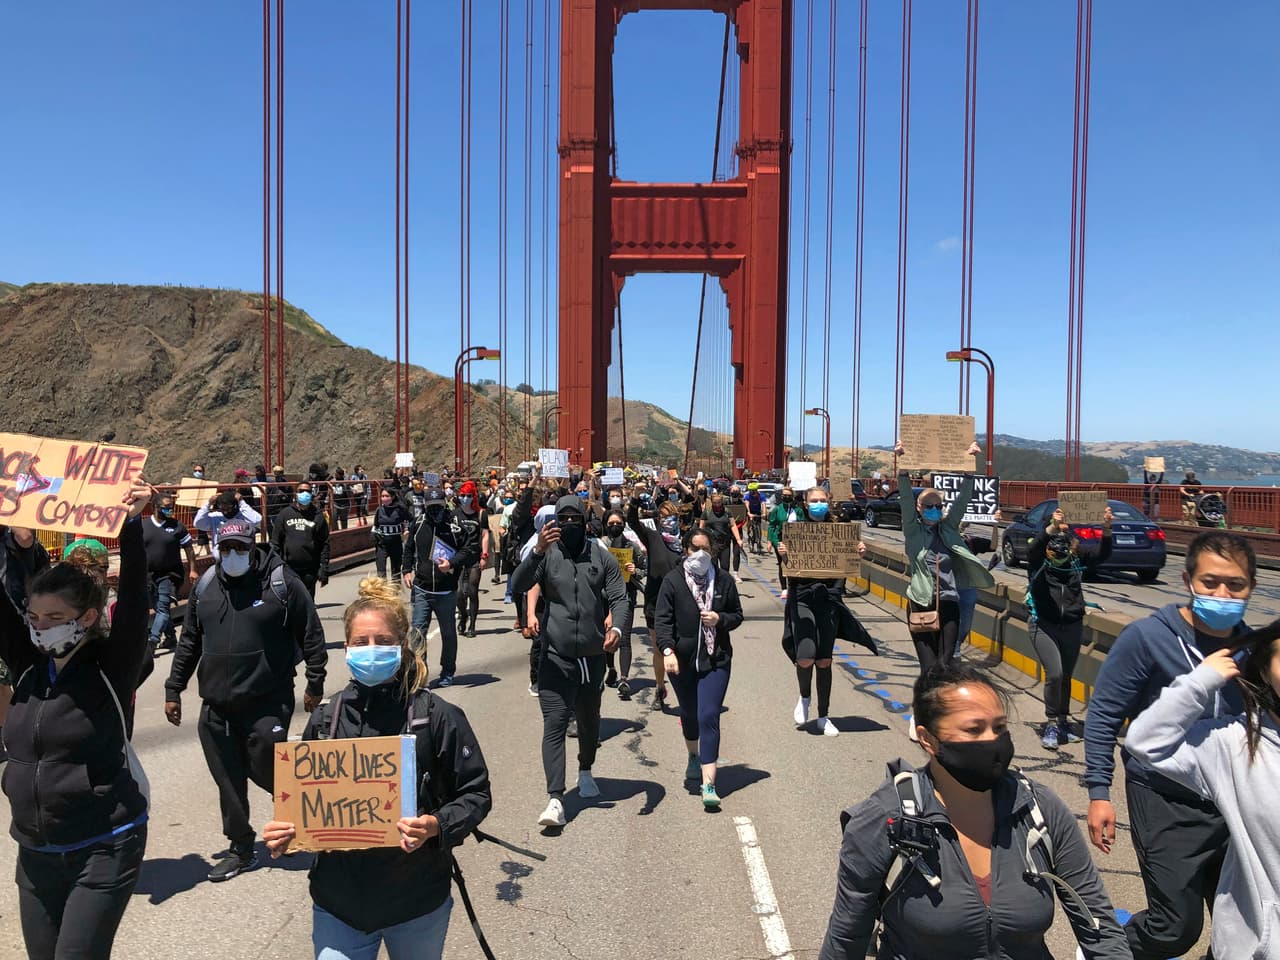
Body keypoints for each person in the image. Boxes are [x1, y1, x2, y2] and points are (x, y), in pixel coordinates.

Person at [817, 661, 1130, 959]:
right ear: (928, 739)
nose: (992, 741)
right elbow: (847, 936)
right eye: (974, 730)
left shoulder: (1040, 810)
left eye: (999, 727)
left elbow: (1099, 927)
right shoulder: (886, 819)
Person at [263, 578, 492, 960]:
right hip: (339, 905)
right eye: (361, 642)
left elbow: (476, 794)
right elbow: (302, 806)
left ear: (402, 646)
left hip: (416, 903)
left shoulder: (437, 717)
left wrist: (435, 826)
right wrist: (286, 836)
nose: (372, 650)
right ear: (347, 649)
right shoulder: (324, 721)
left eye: (384, 641)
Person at [1084, 530, 1255, 960]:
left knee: (1244, 917)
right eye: (1210, 582)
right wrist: (1099, 793)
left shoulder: (1253, 649)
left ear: (1251, 587)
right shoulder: (1147, 638)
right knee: (1175, 926)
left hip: (1229, 797)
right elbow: (1104, 715)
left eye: (1235, 584)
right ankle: (1108, 950)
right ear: (1187, 581)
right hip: (1162, 795)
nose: (1222, 593)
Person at [0, 482, 153, 960]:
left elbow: (132, 602)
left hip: (104, 846)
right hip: (36, 854)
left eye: (54, 616)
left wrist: (131, 525)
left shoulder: (111, 665)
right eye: (33, 616)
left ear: (87, 618)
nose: (40, 626)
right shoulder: (27, 664)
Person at [164, 518, 327, 882]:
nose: (233, 555)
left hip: (267, 702)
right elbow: (189, 640)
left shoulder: (282, 583)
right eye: (226, 549)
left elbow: (312, 633)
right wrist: (173, 688)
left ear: (253, 546)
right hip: (216, 706)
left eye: (240, 548)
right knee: (228, 779)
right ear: (216, 550)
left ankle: (312, 822)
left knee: (272, 772)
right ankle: (241, 847)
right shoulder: (206, 587)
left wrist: (315, 683)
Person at [1124, 618, 1280, 960]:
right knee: (1175, 926)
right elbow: (1145, 741)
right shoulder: (1234, 744)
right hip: (1254, 949)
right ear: (1266, 671)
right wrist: (1200, 683)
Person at [510, 495, 628, 829]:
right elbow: (518, 585)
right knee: (555, 724)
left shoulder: (600, 556)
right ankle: (555, 799)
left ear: (585, 518)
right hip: (554, 657)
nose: (569, 524)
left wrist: (617, 625)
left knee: (589, 723)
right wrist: (536, 552)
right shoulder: (546, 556)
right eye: (563, 518)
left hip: (591, 658)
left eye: (575, 518)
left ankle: (586, 769)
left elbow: (620, 596)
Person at [656, 529, 744, 809]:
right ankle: (693, 755)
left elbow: (737, 615)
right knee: (690, 713)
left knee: (708, 714)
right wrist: (667, 650)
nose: (701, 555)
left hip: (715, 659)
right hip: (680, 661)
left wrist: (720, 619)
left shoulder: (724, 581)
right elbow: (662, 620)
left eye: (706, 549)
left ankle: (709, 782)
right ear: (685, 549)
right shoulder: (672, 581)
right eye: (695, 548)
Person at [776, 486, 869, 737]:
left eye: (823, 500)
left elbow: (847, 562)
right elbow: (789, 566)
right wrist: (783, 553)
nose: (819, 504)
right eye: (814, 500)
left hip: (829, 599)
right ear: (805, 504)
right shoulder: (796, 529)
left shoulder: (840, 529)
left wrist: (858, 551)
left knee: (825, 660)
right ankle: (804, 696)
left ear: (829, 502)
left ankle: (824, 716)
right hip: (802, 597)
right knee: (806, 655)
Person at [896, 444, 994, 682]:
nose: (933, 510)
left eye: (938, 506)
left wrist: (969, 472)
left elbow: (962, 502)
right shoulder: (913, 531)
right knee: (928, 667)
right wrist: (901, 468)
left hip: (949, 602)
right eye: (928, 506)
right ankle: (920, 713)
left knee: (945, 664)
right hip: (921, 602)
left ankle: (938, 714)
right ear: (919, 509)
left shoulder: (949, 529)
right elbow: (906, 499)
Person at [1024, 505, 1112, 750]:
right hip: (1043, 624)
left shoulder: (1074, 559)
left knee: (1066, 676)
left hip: (1072, 624)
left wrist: (1106, 529)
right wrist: (1050, 528)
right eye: (1056, 526)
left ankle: (1064, 721)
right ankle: (1051, 722)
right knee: (1054, 673)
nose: (1061, 532)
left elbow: (1101, 557)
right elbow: (1032, 550)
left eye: (1065, 526)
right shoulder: (1038, 559)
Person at [402, 486, 480, 688]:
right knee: (417, 633)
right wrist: (406, 570)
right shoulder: (418, 523)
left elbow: (470, 549)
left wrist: (452, 563)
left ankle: (448, 671)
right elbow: (409, 548)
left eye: (439, 506)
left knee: (448, 633)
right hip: (422, 588)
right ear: (425, 506)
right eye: (431, 507)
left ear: (445, 504)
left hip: (446, 590)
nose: (435, 510)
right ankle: (421, 674)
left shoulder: (454, 525)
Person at [626, 498, 687, 708]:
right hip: (655, 602)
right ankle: (660, 688)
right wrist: (635, 501)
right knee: (659, 649)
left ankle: (686, 692)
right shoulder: (653, 538)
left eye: (670, 515)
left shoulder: (686, 542)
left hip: (681, 603)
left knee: (681, 648)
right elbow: (632, 521)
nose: (666, 519)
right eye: (662, 516)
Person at [142, 491, 199, 654]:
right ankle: (171, 637)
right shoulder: (143, 527)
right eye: (166, 507)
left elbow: (189, 549)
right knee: (158, 607)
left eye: (171, 507)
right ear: (154, 507)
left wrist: (193, 569)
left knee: (162, 607)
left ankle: (152, 641)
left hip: (171, 575)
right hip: (148, 576)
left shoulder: (177, 526)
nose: (170, 510)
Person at [600, 508, 647, 699]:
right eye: (611, 524)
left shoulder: (632, 546)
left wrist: (635, 570)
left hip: (626, 595)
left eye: (618, 523)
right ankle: (611, 668)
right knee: (607, 635)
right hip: (603, 597)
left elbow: (644, 570)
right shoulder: (600, 546)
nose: (614, 527)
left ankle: (625, 679)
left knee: (624, 636)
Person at [271, 481, 331, 598]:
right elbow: (275, 542)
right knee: (290, 601)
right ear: (295, 494)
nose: (304, 493)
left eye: (307, 491)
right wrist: (275, 567)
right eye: (301, 491)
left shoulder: (318, 516)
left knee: (307, 602)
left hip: (309, 569)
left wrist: (324, 568)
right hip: (289, 568)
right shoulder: (285, 514)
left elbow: (324, 543)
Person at [452, 481, 490, 639]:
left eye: (468, 496)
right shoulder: (453, 514)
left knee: (473, 591)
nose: (465, 499)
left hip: (474, 557)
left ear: (473, 496)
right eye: (463, 496)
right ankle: (463, 615)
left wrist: (484, 555)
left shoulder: (480, 514)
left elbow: (485, 534)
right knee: (460, 593)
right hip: (459, 557)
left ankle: (472, 625)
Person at [194, 488, 263, 549]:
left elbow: (257, 520)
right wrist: (208, 504)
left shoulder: (243, 515)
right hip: (222, 558)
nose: (226, 512)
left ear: (235, 506)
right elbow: (198, 523)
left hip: (242, 554)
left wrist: (242, 502)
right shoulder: (215, 517)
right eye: (222, 508)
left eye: (228, 508)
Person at [700, 493, 745, 584]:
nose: (717, 505)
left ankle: (724, 586)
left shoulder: (727, 511)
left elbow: (733, 525)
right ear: (712, 502)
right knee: (713, 566)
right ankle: (713, 585)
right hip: (712, 544)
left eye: (719, 502)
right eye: (715, 503)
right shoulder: (707, 512)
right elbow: (701, 527)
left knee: (725, 567)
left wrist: (738, 539)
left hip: (724, 543)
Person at [372, 486, 412, 586]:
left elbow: (411, 520)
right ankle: (382, 593)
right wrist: (374, 535)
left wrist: (407, 530)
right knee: (381, 571)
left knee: (396, 570)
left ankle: (395, 593)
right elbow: (375, 526)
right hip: (382, 544)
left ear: (393, 497)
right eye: (382, 496)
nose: (384, 498)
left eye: (387, 496)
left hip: (396, 542)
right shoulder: (379, 510)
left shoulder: (400, 509)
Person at [766, 486, 800, 599]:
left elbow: (803, 524)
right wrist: (770, 541)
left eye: (789, 495)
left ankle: (794, 586)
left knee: (794, 563)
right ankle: (784, 588)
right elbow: (772, 525)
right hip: (779, 540)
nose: (786, 497)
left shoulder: (798, 509)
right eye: (784, 495)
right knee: (782, 563)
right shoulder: (777, 509)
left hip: (795, 541)